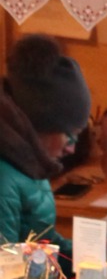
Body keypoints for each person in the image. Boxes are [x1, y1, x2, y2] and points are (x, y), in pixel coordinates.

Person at [0, 34, 91, 248]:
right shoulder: (5, 180)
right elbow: (5, 273)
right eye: (69, 134)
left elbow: (41, 243)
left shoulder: (30, 161)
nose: (72, 147)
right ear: (40, 125)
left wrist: (93, 258)